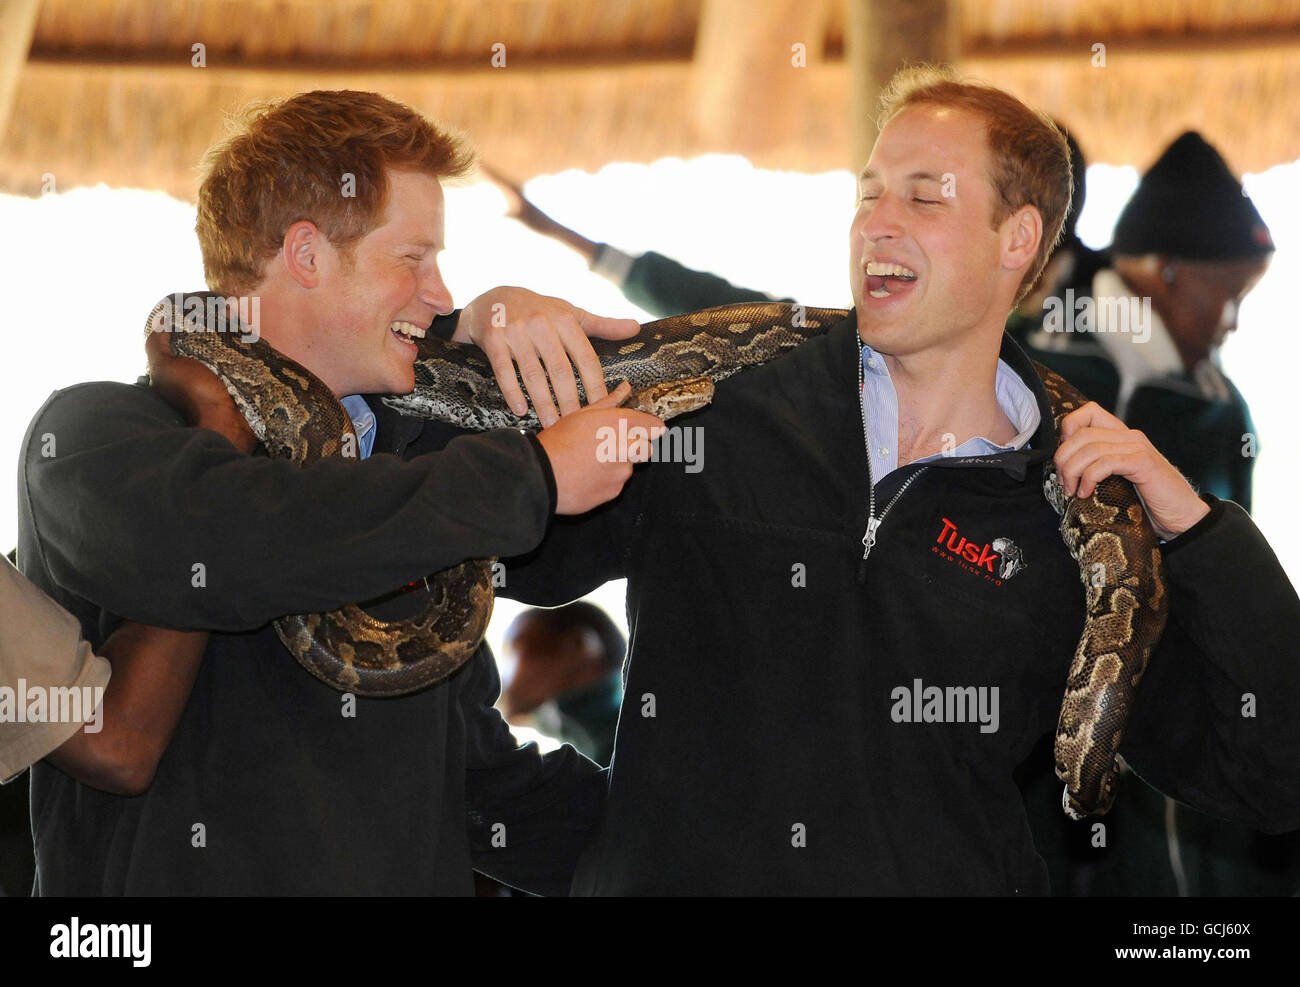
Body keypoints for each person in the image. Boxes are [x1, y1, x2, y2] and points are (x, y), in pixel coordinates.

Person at [483, 66, 1300, 894]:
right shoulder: (707, 412)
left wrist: (1200, 531)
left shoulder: (1085, 521)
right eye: (868, 195)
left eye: (923, 197)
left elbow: (1269, 774)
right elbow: (459, 563)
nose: (878, 223)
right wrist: (479, 342)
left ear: (1017, 239)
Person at [16, 89, 664, 895]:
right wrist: (529, 473)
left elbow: (474, 787)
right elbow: (237, 536)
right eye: (413, 258)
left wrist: (707, 848)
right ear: (307, 254)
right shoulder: (94, 437)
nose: (441, 294)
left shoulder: (409, 476)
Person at [500, 603, 627, 767]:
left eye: (515, 648)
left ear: (577, 645)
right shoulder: (575, 732)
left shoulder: (632, 747)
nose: (501, 676)